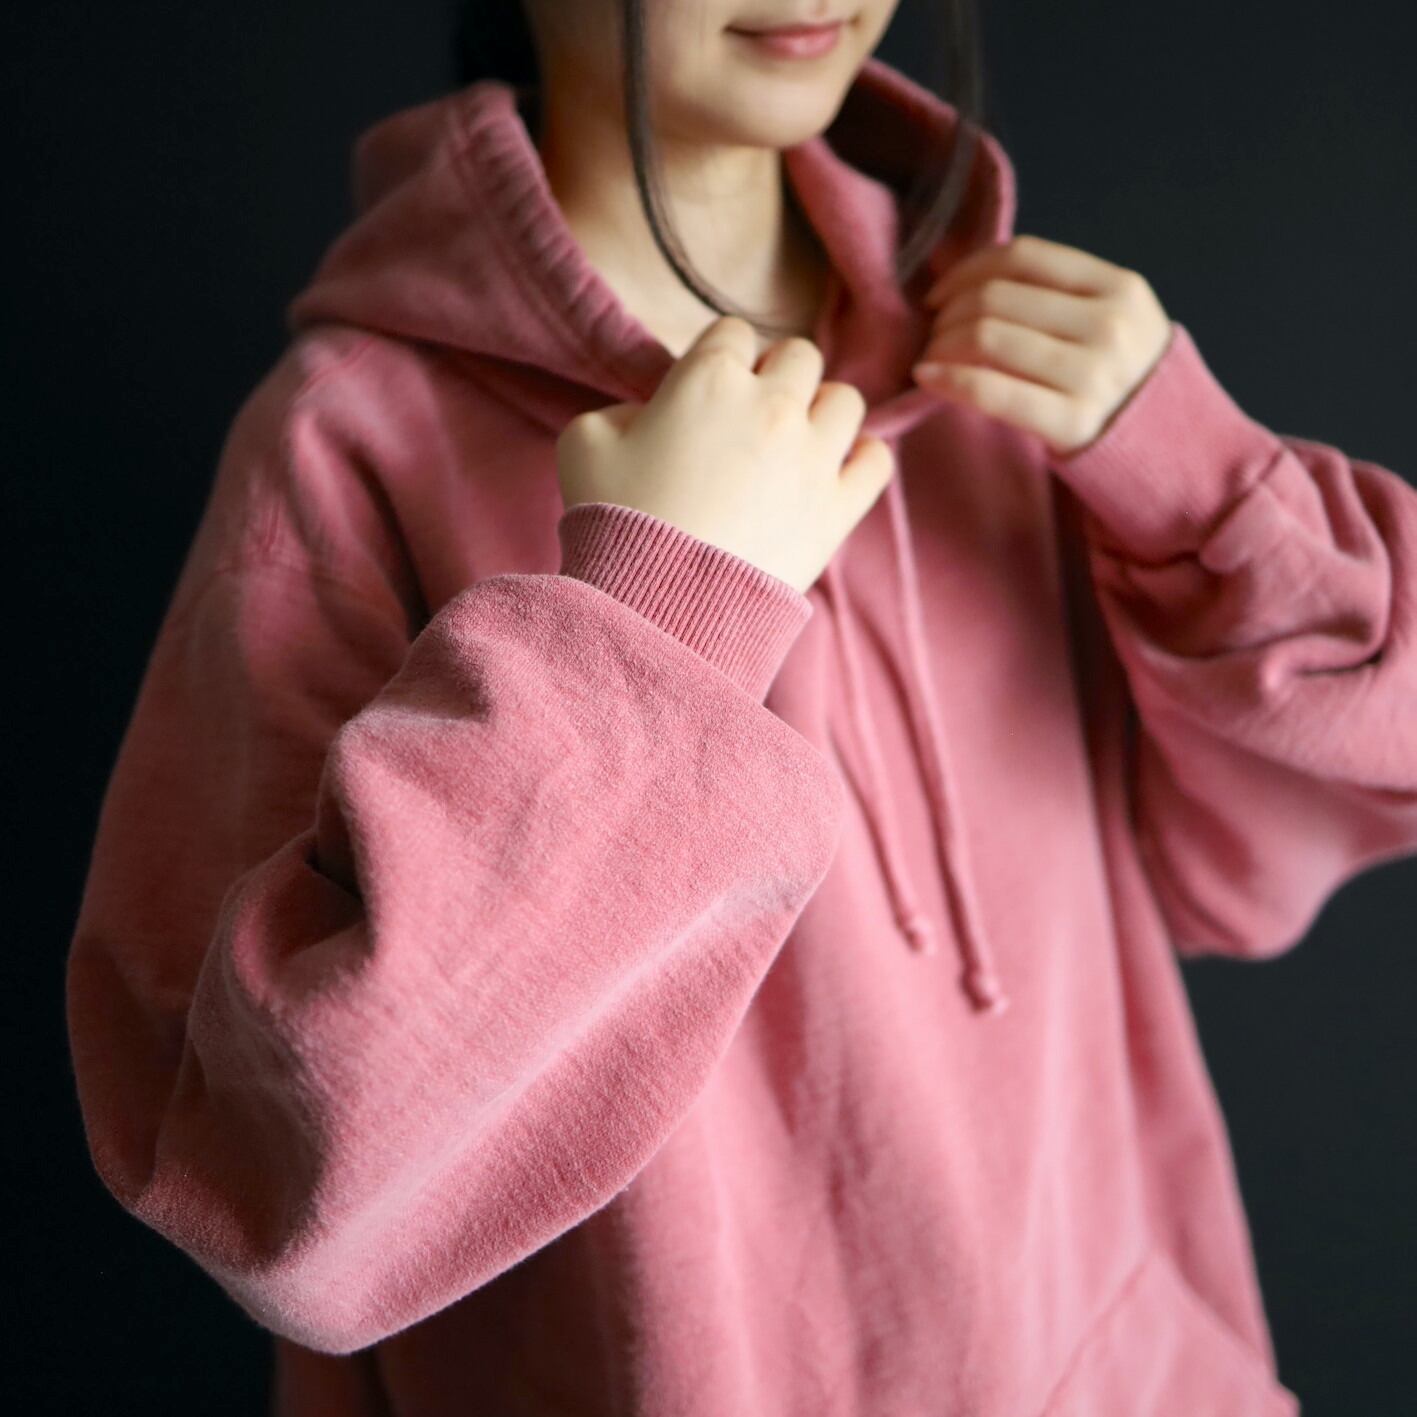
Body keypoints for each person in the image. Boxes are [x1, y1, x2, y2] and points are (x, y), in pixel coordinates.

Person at [64, 1, 1417, 1413]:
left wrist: (1214, 500)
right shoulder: (346, 448)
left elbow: (1300, 825)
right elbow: (278, 1179)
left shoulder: (1005, 361)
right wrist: (658, 619)